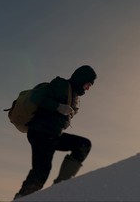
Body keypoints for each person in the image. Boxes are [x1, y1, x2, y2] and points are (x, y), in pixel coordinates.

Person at [14, 65, 97, 200]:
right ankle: (22, 198)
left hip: (52, 135)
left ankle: (60, 186)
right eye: (88, 84)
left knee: (83, 145)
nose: (88, 88)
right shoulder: (61, 85)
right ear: (82, 79)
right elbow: (38, 99)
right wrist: (58, 107)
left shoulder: (74, 95)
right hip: (41, 133)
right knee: (40, 173)